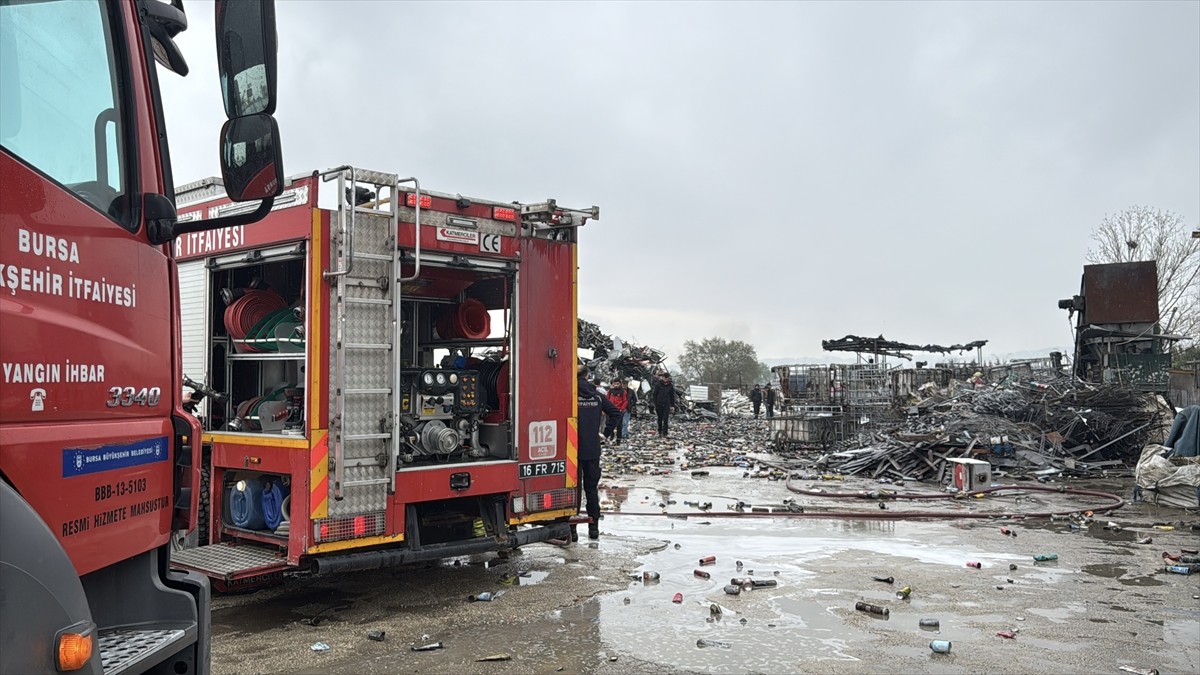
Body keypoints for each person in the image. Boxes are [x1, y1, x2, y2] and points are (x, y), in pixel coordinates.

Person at [577, 365, 619, 540]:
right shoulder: (598, 396)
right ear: (587, 376)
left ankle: (571, 531)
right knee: (591, 489)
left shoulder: (568, 395)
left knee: (574, 489)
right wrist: (604, 434)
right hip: (593, 448)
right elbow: (616, 413)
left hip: (572, 451)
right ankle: (593, 528)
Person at [652, 371, 677, 437]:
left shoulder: (670, 386)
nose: (665, 379)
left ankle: (665, 433)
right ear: (662, 378)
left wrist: (672, 406)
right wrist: (655, 403)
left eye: (666, 378)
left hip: (666, 404)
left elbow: (672, 396)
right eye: (664, 378)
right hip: (659, 404)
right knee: (660, 418)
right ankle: (660, 431)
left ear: (668, 378)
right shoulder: (658, 384)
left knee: (665, 418)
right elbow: (654, 394)